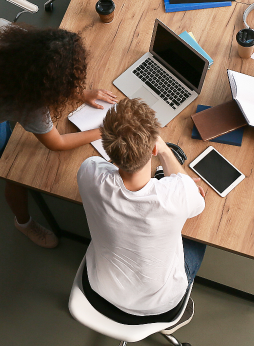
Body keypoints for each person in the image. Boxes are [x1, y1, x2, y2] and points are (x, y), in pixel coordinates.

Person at [0, 25, 117, 248]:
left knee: (10, 157)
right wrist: (102, 131)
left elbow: (44, 74)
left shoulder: (18, 43)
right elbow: (57, 143)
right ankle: (23, 223)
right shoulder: (32, 108)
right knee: (13, 175)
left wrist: (80, 93)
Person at [77, 98, 207, 333]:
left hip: (97, 291)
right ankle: (174, 319)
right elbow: (197, 202)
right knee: (199, 241)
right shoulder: (178, 194)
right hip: (159, 307)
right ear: (153, 149)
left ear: (109, 152)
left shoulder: (88, 172)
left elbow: (103, 166)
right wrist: (166, 152)